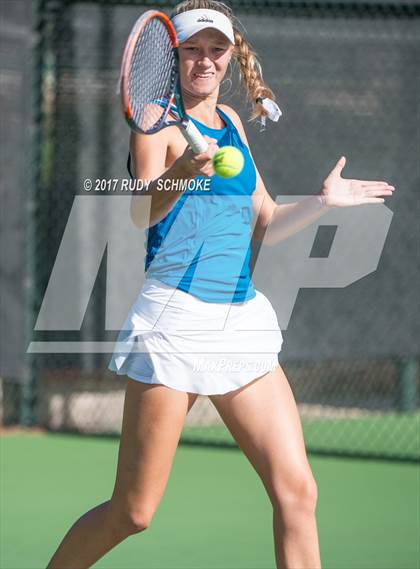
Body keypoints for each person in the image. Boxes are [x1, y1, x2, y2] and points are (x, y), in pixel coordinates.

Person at [46, 1, 395, 568]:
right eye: (192, 49)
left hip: (239, 322)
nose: (205, 60)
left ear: (231, 55)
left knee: (297, 492)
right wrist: (186, 170)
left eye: (216, 49)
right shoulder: (154, 123)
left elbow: (267, 221)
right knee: (132, 512)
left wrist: (322, 203)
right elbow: (141, 213)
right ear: (174, 56)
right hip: (175, 320)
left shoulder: (231, 122)